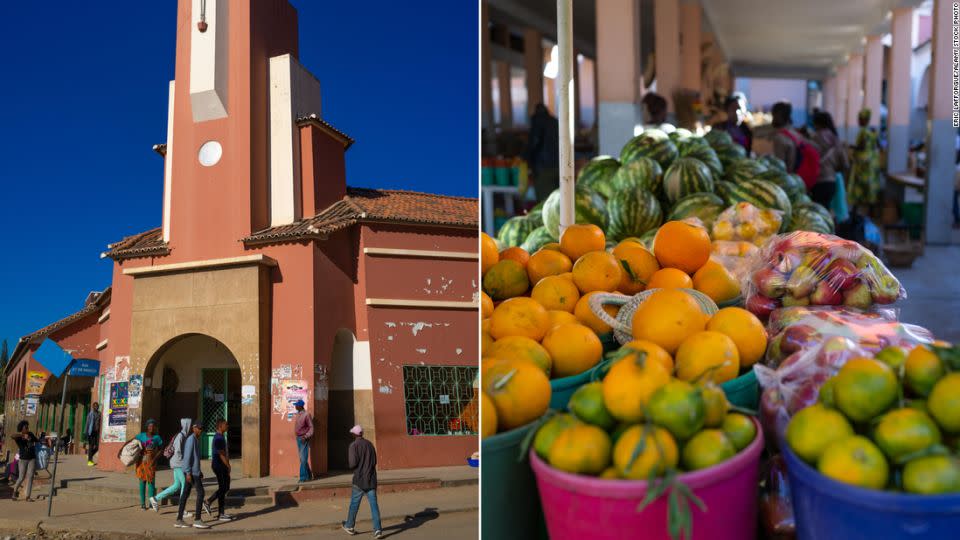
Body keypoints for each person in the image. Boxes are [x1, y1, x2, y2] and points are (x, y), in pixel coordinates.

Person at [341, 425, 382, 538]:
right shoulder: (370, 444)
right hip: (370, 480)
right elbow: (374, 461)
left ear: (354, 434)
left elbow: (352, 464)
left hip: (359, 480)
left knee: (354, 504)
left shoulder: (353, 446)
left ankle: (349, 525)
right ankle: (378, 530)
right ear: (361, 434)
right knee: (374, 505)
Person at [150, 418, 192, 515]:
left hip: (175, 463)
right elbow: (178, 451)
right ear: (186, 426)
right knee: (185, 485)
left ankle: (155, 498)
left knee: (177, 485)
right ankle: (181, 511)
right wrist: (184, 463)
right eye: (189, 425)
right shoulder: (181, 436)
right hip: (178, 464)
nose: (190, 427)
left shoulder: (182, 435)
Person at [809, 111, 848, 208]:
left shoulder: (814, 138)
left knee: (817, 213)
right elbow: (845, 164)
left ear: (818, 123)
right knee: (826, 211)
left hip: (816, 181)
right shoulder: (836, 139)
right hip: (831, 182)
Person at [175, 422, 210, 529]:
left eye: (201, 429)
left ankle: (179, 519)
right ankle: (197, 519)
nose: (200, 430)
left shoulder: (195, 439)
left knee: (185, 494)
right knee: (201, 493)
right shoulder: (191, 439)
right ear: (193, 428)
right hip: (191, 473)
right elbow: (187, 457)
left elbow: (194, 459)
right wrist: (188, 472)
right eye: (198, 428)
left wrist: (199, 471)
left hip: (194, 472)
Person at [848, 108, 881, 212]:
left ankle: (855, 210)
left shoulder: (863, 132)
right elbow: (878, 145)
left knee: (858, 186)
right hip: (872, 161)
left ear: (865, 119)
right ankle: (871, 210)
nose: (859, 121)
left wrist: (850, 146)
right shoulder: (873, 131)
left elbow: (861, 147)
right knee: (870, 186)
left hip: (862, 163)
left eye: (860, 119)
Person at [526, 103, 560, 202]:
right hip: (559, 166)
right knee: (558, 200)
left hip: (543, 168)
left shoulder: (537, 122)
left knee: (545, 202)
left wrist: (526, 158)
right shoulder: (555, 122)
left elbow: (534, 143)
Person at [203, 419, 234, 521]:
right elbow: (221, 454)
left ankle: (220, 512)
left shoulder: (221, 437)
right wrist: (228, 465)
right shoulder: (218, 438)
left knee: (225, 487)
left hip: (221, 466)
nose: (227, 426)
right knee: (223, 487)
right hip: (219, 465)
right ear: (220, 426)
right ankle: (209, 502)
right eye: (226, 424)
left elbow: (224, 453)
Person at [131, 419, 163, 510]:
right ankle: (142, 504)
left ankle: (151, 503)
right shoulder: (140, 436)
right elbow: (132, 442)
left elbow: (161, 449)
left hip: (151, 462)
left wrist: (155, 459)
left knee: (151, 482)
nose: (151, 428)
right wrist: (123, 449)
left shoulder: (157, 438)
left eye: (153, 426)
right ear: (147, 427)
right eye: (149, 426)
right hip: (141, 462)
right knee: (142, 482)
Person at [10, 421, 38, 501]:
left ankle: (28, 496)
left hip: (32, 458)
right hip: (23, 459)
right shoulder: (18, 436)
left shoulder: (31, 434)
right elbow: (12, 436)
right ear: (22, 428)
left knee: (30, 477)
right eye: (26, 427)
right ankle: (15, 492)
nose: (27, 429)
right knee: (21, 477)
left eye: (28, 427)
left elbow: (36, 440)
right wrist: (23, 435)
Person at [771, 101, 801, 172]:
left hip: (788, 178)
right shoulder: (794, 132)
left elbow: (779, 166)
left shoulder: (780, 138)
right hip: (798, 178)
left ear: (777, 115)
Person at [294, 400, 314, 483]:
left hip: (303, 438)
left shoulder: (306, 415)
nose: (295, 406)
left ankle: (302, 478)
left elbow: (311, 428)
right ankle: (309, 475)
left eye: (296, 405)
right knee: (303, 458)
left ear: (300, 406)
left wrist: (306, 436)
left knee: (303, 458)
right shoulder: (298, 414)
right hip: (298, 438)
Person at [85, 402, 101, 466]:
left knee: (97, 446)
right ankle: (89, 461)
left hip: (97, 432)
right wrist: (86, 433)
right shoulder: (90, 414)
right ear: (93, 407)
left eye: (97, 406)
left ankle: (89, 455)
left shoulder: (99, 414)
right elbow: (87, 423)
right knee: (91, 446)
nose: (96, 407)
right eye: (95, 406)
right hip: (91, 432)